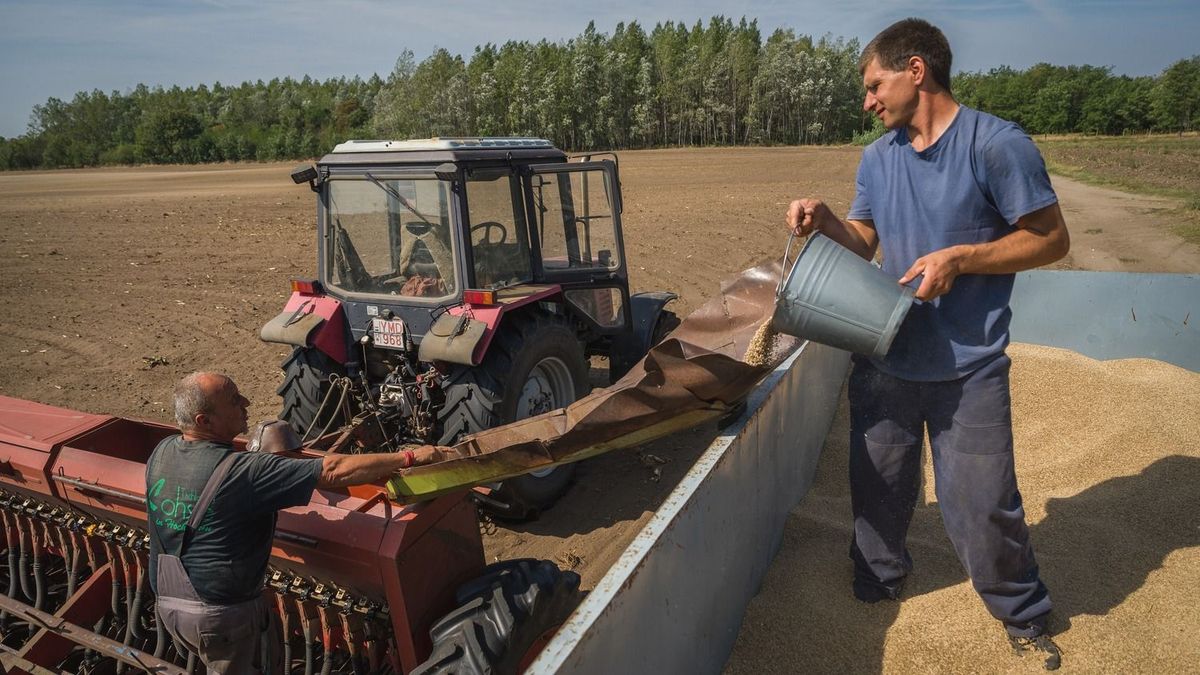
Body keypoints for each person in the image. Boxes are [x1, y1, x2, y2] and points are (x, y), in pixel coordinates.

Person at [785, 18, 1070, 670]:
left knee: (982, 500)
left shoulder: (996, 145)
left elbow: (1053, 238)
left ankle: (1021, 612)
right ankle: (878, 578)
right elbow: (864, 242)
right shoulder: (878, 156)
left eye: (872, 84)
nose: (866, 101)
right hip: (884, 351)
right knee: (876, 485)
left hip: (968, 364)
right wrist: (826, 218)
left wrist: (964, 259)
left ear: (917, 71)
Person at [146, 371, 454, 674]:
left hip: (169, 606)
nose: (246, 401)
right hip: (222, 619)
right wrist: (410, 457)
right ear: (204, 421)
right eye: (233, 400)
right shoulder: (244, 471)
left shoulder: (162, 452)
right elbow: (333, 470)